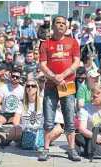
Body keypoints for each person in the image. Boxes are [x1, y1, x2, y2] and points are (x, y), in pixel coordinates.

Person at [39, 15, 81, 161]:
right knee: (48, 121)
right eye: (58, 23)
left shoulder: (73, 42)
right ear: (53, 26)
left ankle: (71, 150)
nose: (61, 25)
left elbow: (76, 63)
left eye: (64, 23)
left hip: (67, 85)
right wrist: (54, 78)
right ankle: (45, 150)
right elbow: (42, 65)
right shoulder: (45, 44)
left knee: (69, 119)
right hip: (51, 85)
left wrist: (62, 76)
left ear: (67, 27)